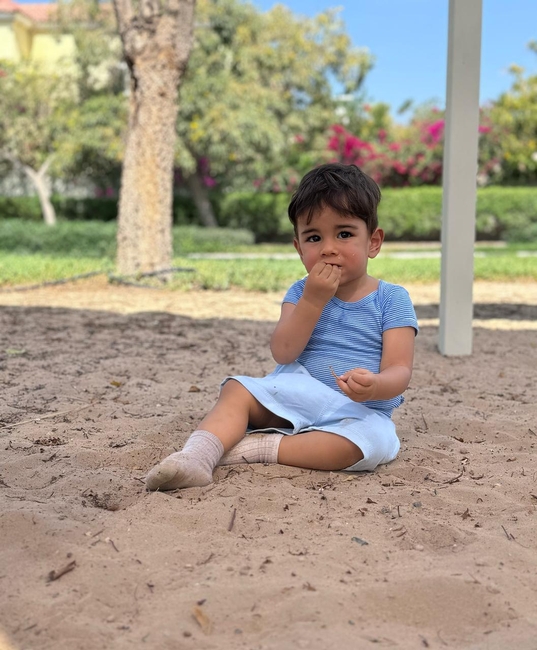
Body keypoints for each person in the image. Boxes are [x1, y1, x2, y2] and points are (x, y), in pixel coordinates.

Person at [145, 163, 418, 491]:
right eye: (314, 237)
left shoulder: (392, 298)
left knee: (368, 446)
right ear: (299, 248)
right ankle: (196, 457)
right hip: (296, 393)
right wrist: (313, 300)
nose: (328, 248)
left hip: (359, 411)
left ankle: (253, 448)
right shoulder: (301, 292)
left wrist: (375, 386)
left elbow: (400, 369)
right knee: (237, 390)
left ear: (373, 242)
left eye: (344, 234)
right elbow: (284, 351)